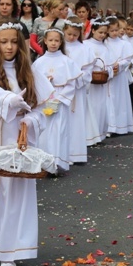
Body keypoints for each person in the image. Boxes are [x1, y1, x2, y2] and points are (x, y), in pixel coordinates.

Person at [0, 17, 54, 266]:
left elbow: (50, 105)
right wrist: (9, 99)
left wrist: (31, 118)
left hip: (19, 134)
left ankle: (10, 249)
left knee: (15, 190)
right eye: (3, 42)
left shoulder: (29, 70)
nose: (8, 47)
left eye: (14, 42)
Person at [33, 27, 80, 174]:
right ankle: (43, 164)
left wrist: (59, 100)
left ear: (61, 42)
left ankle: (58, 163)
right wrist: (45, 85)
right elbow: (34, 84)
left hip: (59, 101)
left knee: (59, 131)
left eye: (56, 40)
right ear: (45, 41)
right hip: (43, 101)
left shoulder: (67, 62)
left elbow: (71, 84)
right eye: (50, 40)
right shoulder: (39, 62)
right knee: (44, 132)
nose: (53, 43)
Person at [63, 16, 96, 152]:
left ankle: (76, 150)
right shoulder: (60, 46)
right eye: (69, 34)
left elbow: (88, 71)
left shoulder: (84, 49)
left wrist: (75, 80)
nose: (71, 37)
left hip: (77, 89)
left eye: (75, 35)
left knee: (76, 118)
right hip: (61, 89)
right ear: (64, 31)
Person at [84, 18, 113, 144]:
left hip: (101, 81)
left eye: (104, 33)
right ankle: (90, 135)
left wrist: (110, 70)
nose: (102, 35)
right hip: (91, 81)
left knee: (101, 107)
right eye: (100, 32)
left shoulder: (106, 46)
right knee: (91, 107)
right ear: (93, 30)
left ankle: (100, 133)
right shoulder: (86, 44)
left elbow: (109, 62)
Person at [104, 17, 133, 134]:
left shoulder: (124, 44)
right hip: (108, 75)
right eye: (111, 30)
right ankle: (109, 127)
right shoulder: (104, 43)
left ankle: (121, 126)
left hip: (120, 76)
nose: (115, 33)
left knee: (119, 100)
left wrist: (120, 65)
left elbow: (128, 59)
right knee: (109, 100)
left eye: (117, 30)